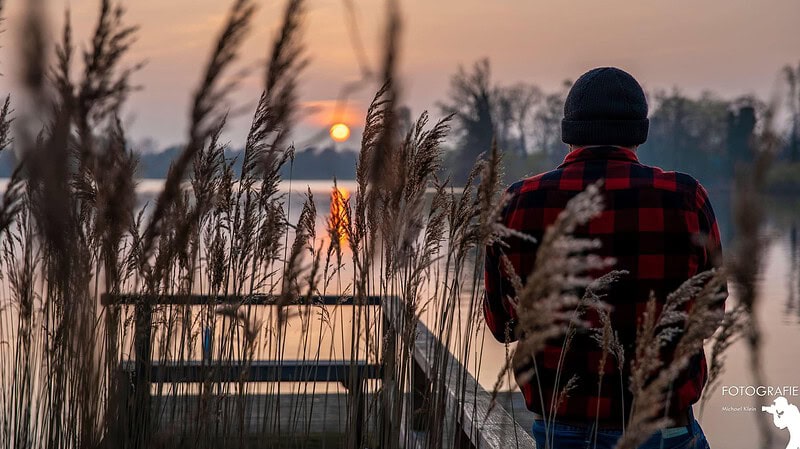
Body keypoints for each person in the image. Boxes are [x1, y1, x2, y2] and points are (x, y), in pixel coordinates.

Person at [483, 67, 725, 449]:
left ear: (570, 131)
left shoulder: (519, 202)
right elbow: (710, 314)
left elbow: (503, 327)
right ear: (638, 132)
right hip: (661, 428)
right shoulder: (684, 197)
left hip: (560, 428)